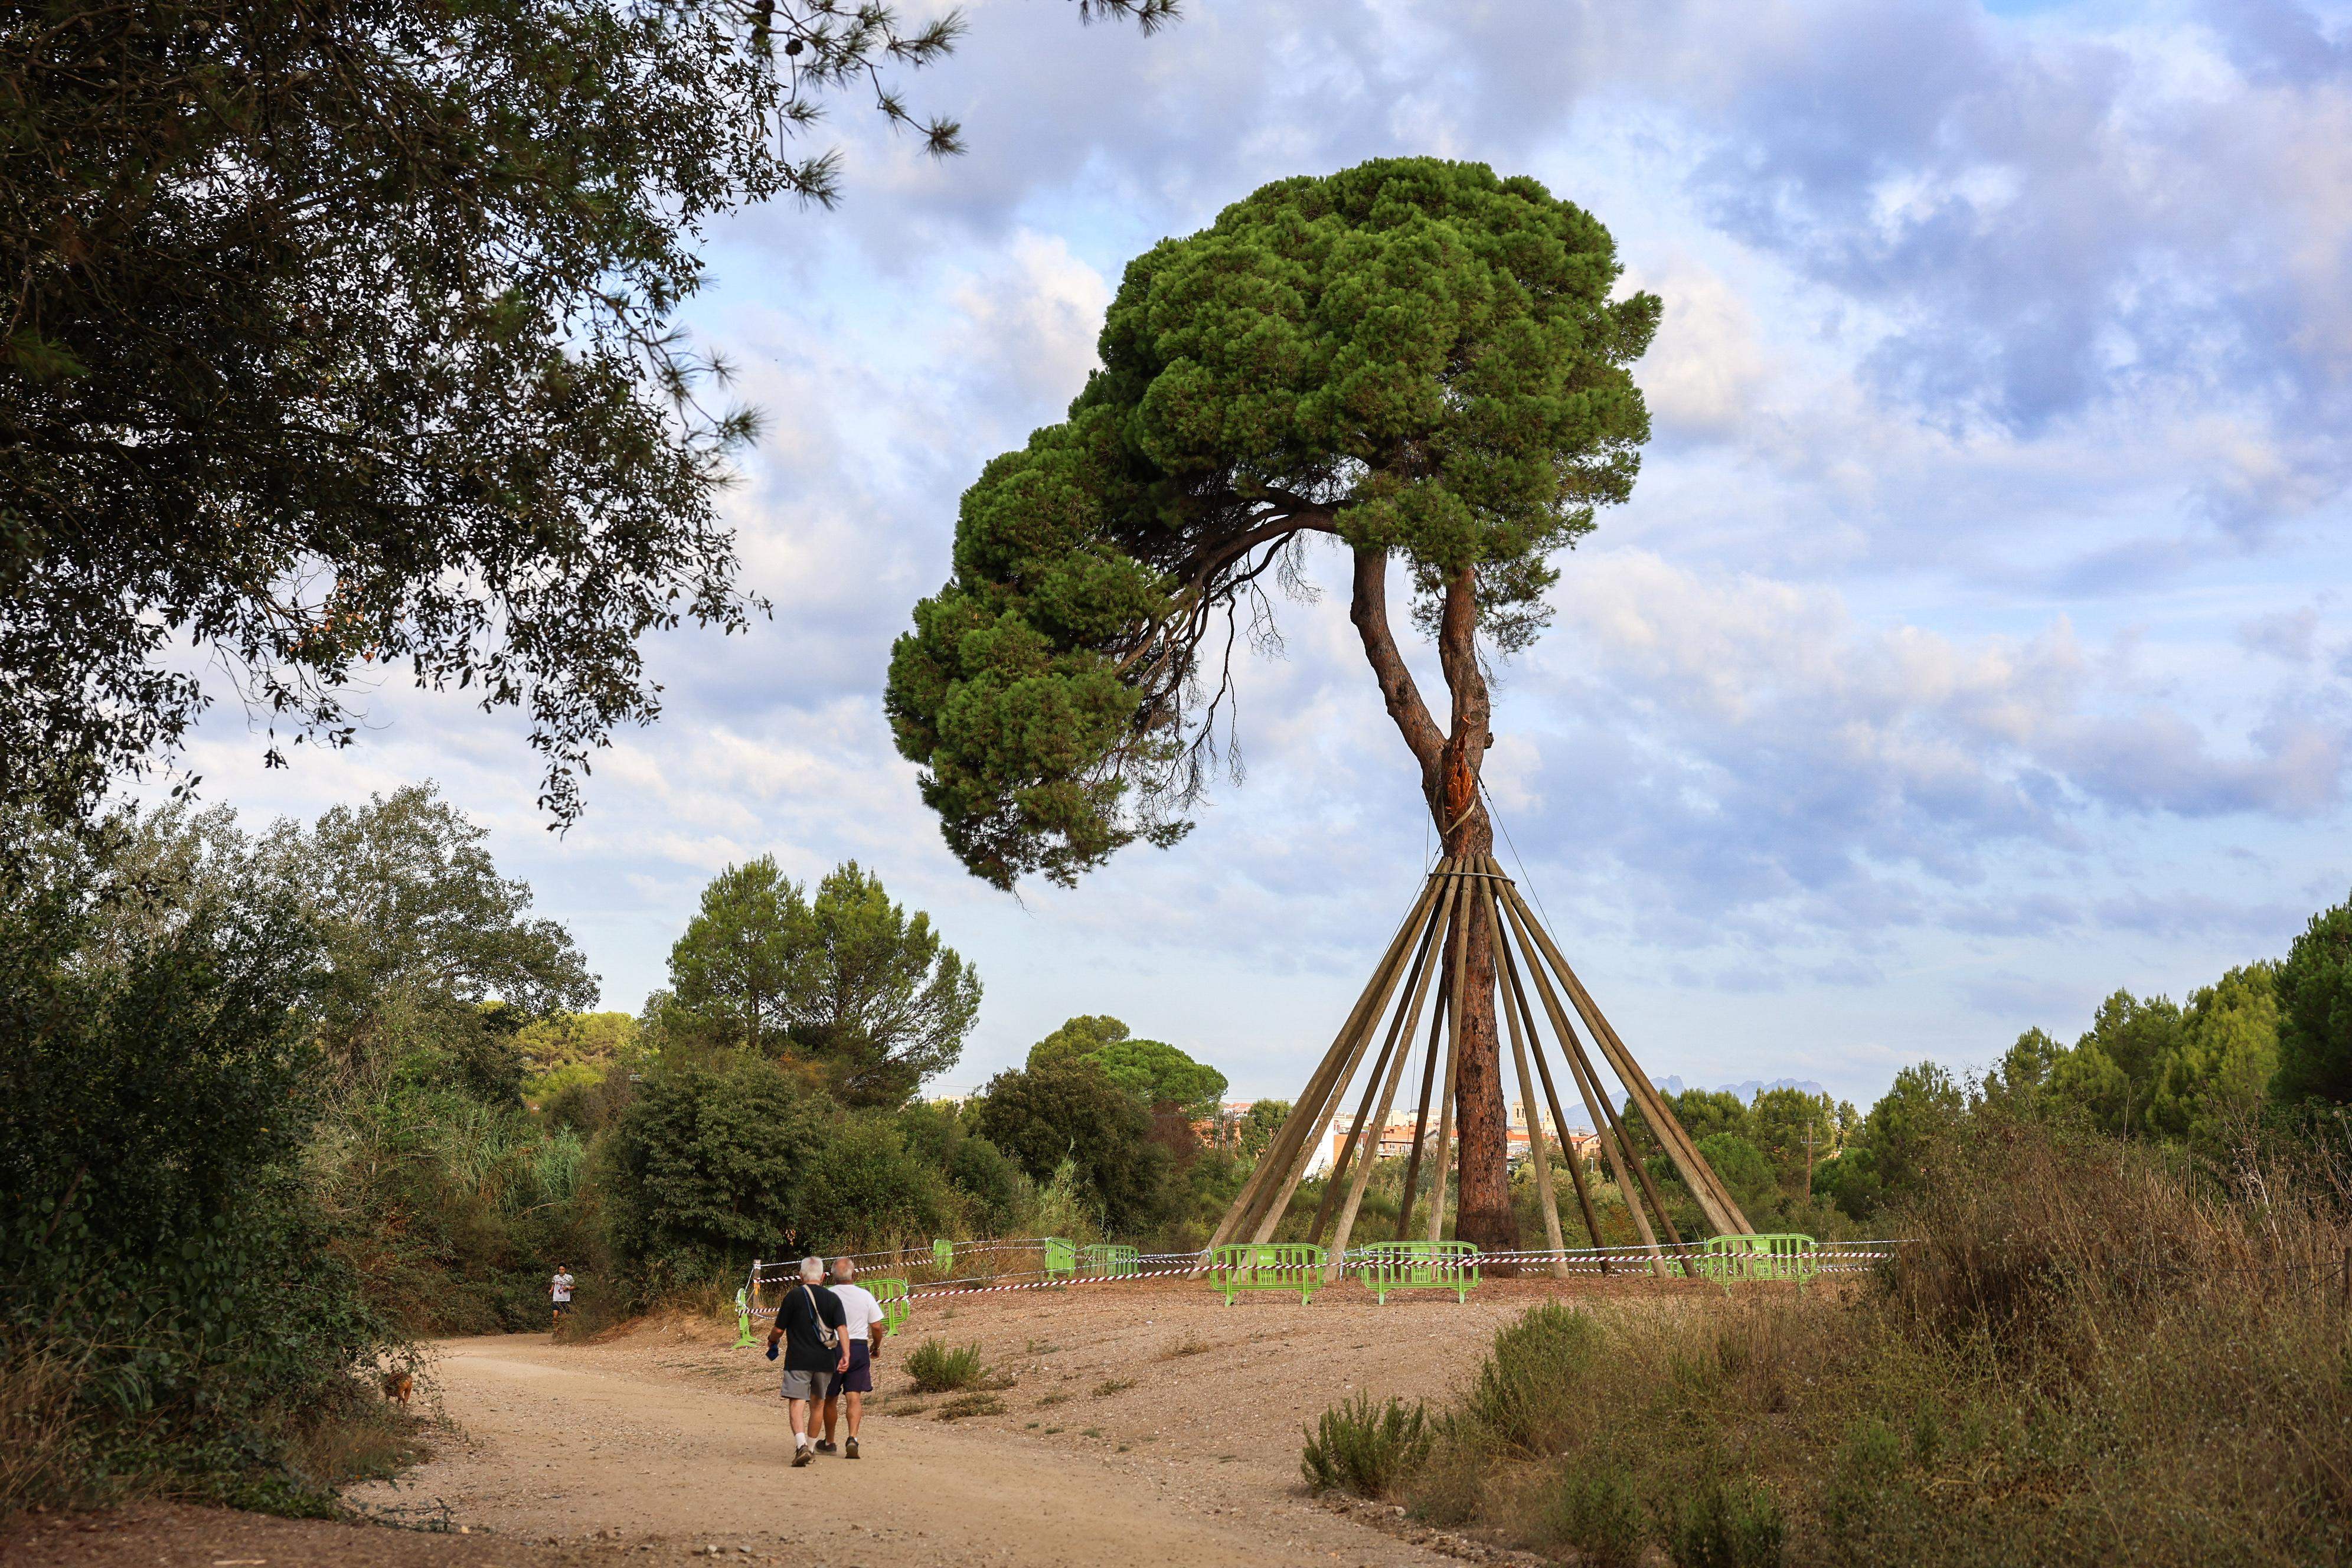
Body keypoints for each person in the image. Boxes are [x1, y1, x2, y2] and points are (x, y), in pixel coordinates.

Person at [766, 1255, 847, 1466]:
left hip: (798, 1360)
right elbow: (842, 1330)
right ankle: (810, 1449)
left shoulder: (793, 1297)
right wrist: (846, 1354)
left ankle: (801, 1445)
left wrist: (772, 1340)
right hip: (825, 1360)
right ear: (823, 1276)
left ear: (801, 1276)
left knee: (797, 1402)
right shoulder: (833, 1299)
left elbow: (778, 1329)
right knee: (818, 1404)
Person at [817, 1257, 888, 1459]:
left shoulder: (826, 1296)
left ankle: (830, 1441)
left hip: (833, 1348)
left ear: (832, 1276)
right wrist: (875, 1346)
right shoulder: (865, 1296)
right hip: (858, 1347)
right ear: (854, 1275)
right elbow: (876, 1326)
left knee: (830, 1397)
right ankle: (853, 1438)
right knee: (854, 1396)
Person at [550, 1263, 575, 1332]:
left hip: (565, 1300)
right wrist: (551, 1290)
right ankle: (556, 1331)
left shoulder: (569, 1277)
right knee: (555, 1317)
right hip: (556, 1299)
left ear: (565, 1270)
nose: (561, 1271)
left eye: (563, 1269)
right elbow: (553, 1284)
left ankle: (564, 1331)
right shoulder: (555, 1277)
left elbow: (574, 1286)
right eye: (560, 1270)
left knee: (564, 1318)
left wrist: (568, 1288)